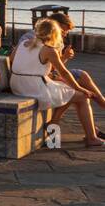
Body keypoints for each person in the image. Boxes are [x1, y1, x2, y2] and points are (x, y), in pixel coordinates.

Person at [11, 19, 104, 150]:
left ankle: (55, 123)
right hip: (35, 88)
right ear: (55, 34)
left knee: (66, 91)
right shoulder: (49, 50)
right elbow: (65, 74)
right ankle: (91, 138)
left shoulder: (22, 44)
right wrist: (80, 88)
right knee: (82, 97)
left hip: (17, 85)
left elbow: (12, 62)